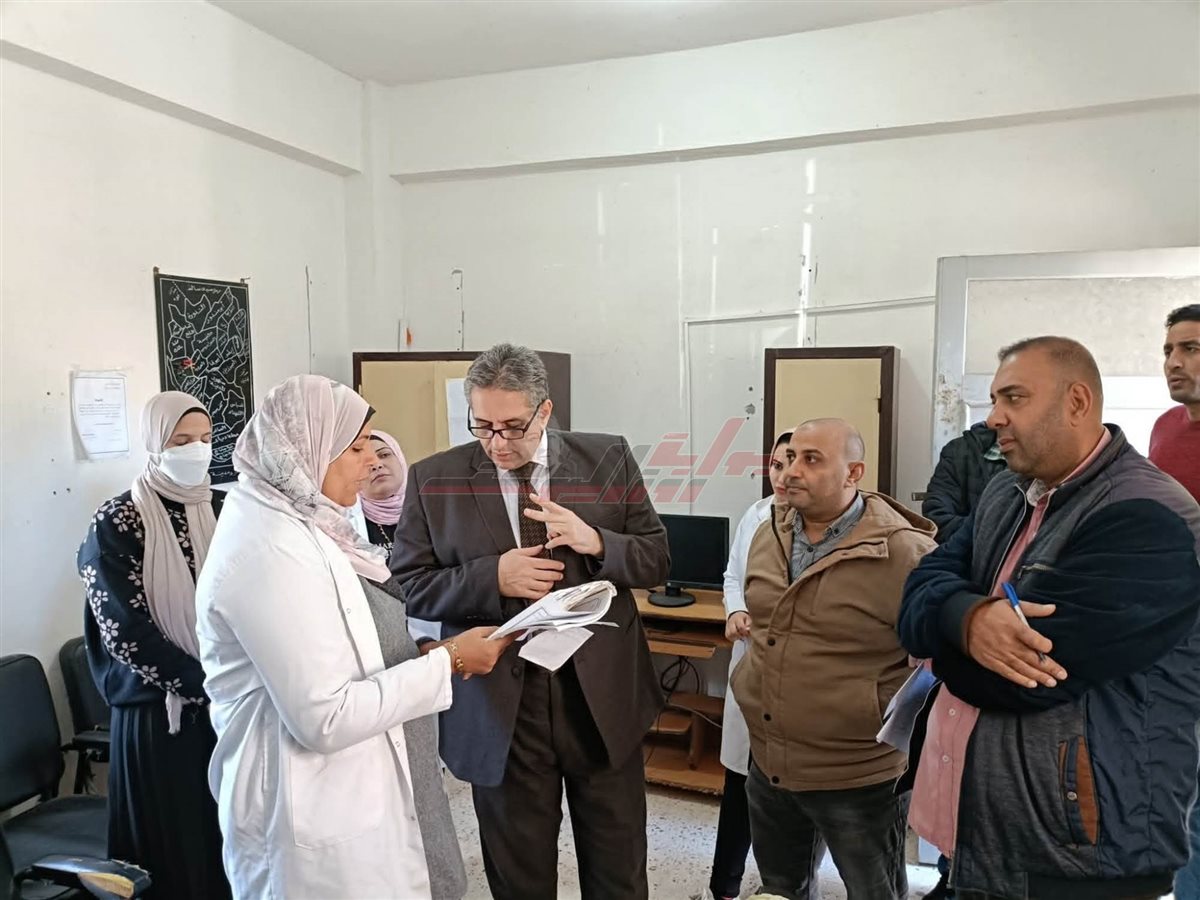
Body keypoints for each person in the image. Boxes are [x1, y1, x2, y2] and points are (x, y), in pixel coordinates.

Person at [898, 337, 1200, 900]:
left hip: (1079, 857)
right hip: (987, 840)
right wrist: (967, 618)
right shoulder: (1008, 491)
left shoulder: (1148, 517)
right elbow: (918, 587)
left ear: (1077, 402)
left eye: (1013, 398)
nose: (994, 417)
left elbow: (1024, 678)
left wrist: (937, 642)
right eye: (994, 398)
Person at [195, 374, 512, 900]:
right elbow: (325, 717)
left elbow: (347, 649)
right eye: (357, 446)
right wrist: (449, 662)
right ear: (306, 448)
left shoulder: (308, 523)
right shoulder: (267, 554)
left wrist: (426, 655)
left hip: (355, 787)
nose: (371, 462)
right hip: (309, 803)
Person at [391, 343, 670, 900]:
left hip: (599, 700)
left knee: (618, 871)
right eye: (482, 426)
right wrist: (491, 577)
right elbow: (408, 586)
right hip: (501, 705)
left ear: (545, 411)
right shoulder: (432, 478)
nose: (497, 442)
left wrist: (597, 542)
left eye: (513, 426)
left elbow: (656, 560)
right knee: (520, 877)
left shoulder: (607, 458)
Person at [730, 418, 937, 900]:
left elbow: (936, 660)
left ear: (853, 473)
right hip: (771, 762)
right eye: (788, 458)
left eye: (811, 459)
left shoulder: (905, 553)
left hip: (856, 774)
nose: (790, 471)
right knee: (781, 890)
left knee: (874, 892)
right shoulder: (769, 533)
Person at [76, 391, 231, 900]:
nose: (197, 450)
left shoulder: (225, 507)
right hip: (159, 718)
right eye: (181, 441)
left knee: (226, 848)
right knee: (170, 857)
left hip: (228, 708)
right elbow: (126, 633)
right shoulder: (118, 520)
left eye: (205, 439)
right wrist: (209, 684)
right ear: (154, 444)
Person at [697, 430, 791, 900]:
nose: (783, 474)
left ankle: (784, 886)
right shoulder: (756, 514)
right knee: (740, 779)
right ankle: (725, 887)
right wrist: (734, 610)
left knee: (789, 791)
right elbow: (733, 575)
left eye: (796, 462)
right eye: (776, 464)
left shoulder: (835, 525)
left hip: (797, 672)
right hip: (750, 657)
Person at [1152, 305, 1200, 900]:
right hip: (1171, 630)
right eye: (1169, 349)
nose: (1174, 362)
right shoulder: (1165, 427)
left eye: (1191, 348)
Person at [922, 422, 1006, 545]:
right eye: (994, 404)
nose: (994, 418)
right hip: (964, 553)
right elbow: (936, 518)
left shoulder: (1034, 463)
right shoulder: (958, 451)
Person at [360, 429, 409, 554]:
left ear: (400, 459)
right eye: (365, 461)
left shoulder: (427, 510)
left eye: (384, 455)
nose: (377, 465)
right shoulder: (349, 521)